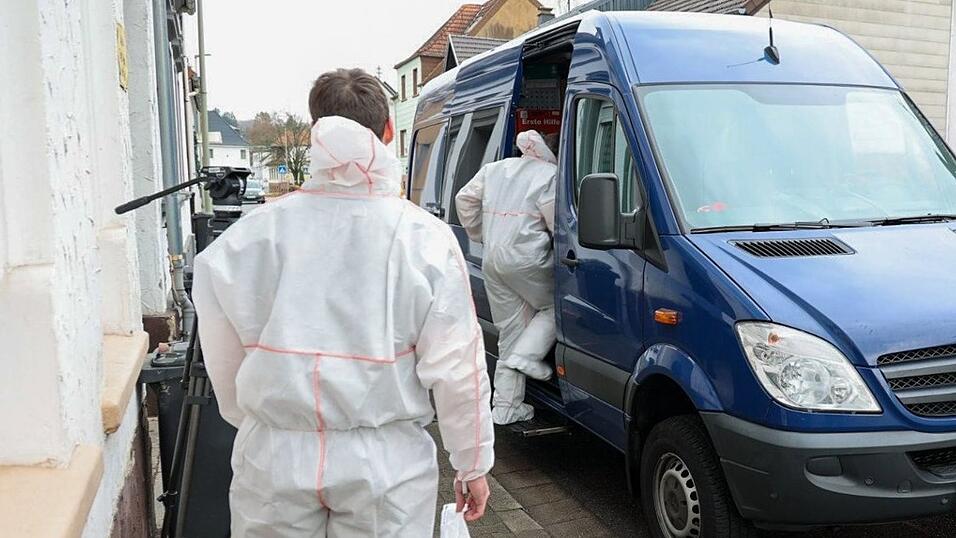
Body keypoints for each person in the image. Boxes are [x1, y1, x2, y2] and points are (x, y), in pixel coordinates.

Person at [192, 68, 494, 537]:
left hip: (274, 457)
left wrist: (264, 416)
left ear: (315, 132)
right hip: (385, 465)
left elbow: (222, 355)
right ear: (389, 131)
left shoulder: (250, 238)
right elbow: (458, 365)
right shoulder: (424, 239)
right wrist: (472, 462)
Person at [455, 130, 559, 425]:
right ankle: (528, 356)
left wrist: (480, 234)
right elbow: (558, 226)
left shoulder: (496, 168)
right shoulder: (549, 174)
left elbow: (463, 199)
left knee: (511, 330)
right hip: (527, 258)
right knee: (556, 306)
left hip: (493, 258)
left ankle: (505, 407)